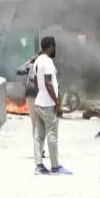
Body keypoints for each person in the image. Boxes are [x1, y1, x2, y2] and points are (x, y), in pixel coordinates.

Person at [33, 36, 72, 175]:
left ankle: (39, 165)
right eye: (54, 46)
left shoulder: (37, 61)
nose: (55, 49)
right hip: (48, 104)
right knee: (52, 135)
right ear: (49, 46)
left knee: (39, 136)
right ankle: (55, 167)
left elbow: (36, 82)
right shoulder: (48, 62)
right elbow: (49, 83)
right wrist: (56, 101)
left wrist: (42, 93)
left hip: (39, 102)